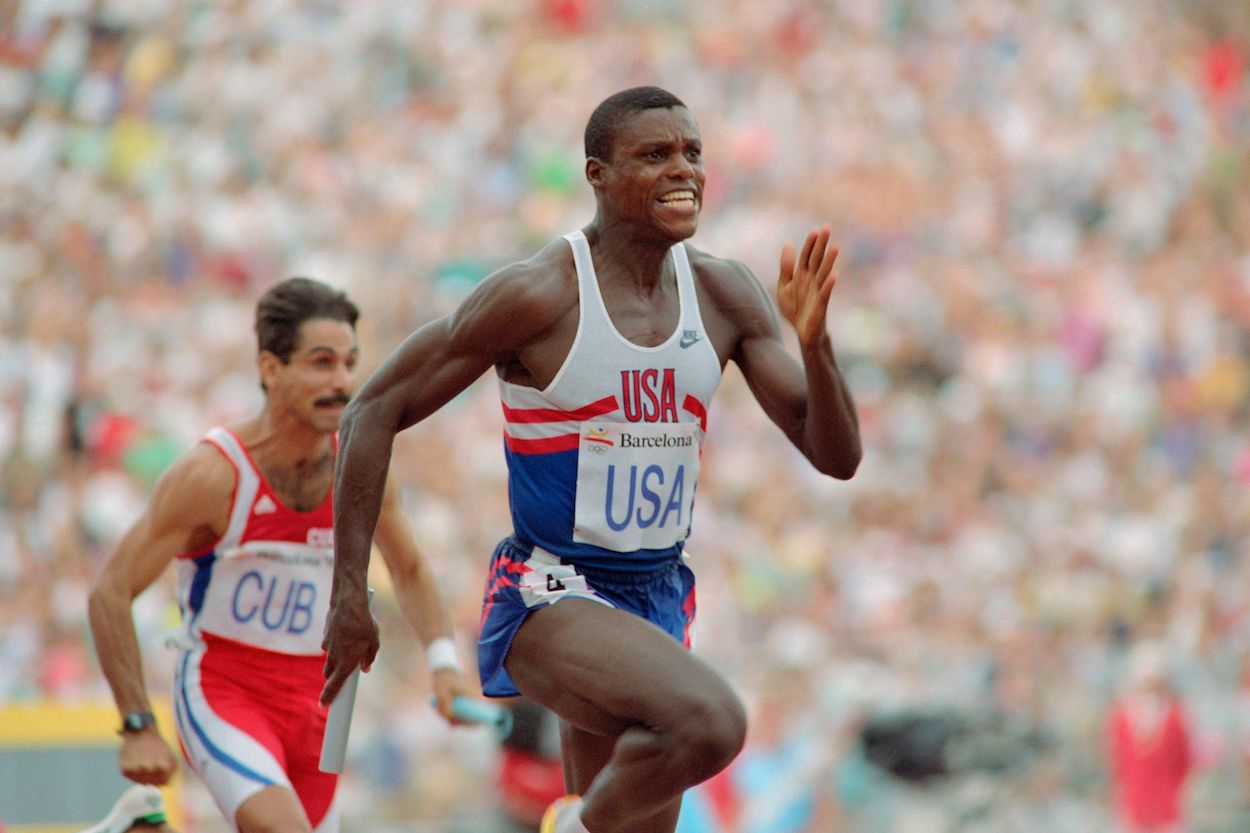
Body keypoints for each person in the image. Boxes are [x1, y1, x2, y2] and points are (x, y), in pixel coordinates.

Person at [321, 86, 861, 833]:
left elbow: (835, 456)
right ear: (598, 175)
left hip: (657, 596)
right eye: (655, 155)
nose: (684, 170)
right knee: (711, 723)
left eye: (693, 153)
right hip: (553, 594)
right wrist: (350, 589)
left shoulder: (724, 294)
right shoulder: (541, 295)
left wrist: (816, 344)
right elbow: (371, 409)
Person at [87, 277, 475, 833]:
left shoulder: (362, 466)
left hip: (328, 705)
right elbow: (110, 592)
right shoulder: (213, 474)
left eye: (349, 363)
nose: (342, 381)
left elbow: (410, 568)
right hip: (227, 687)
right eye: (321, 363)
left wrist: (443, 664)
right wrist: (137, 723)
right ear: (271, 369)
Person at [1107, 643, 1195, 833]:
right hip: (1134, 807)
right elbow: (1118, 762)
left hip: (1167, 809)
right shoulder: (1122, 716)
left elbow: (1184, 761)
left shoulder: (1176, 716)